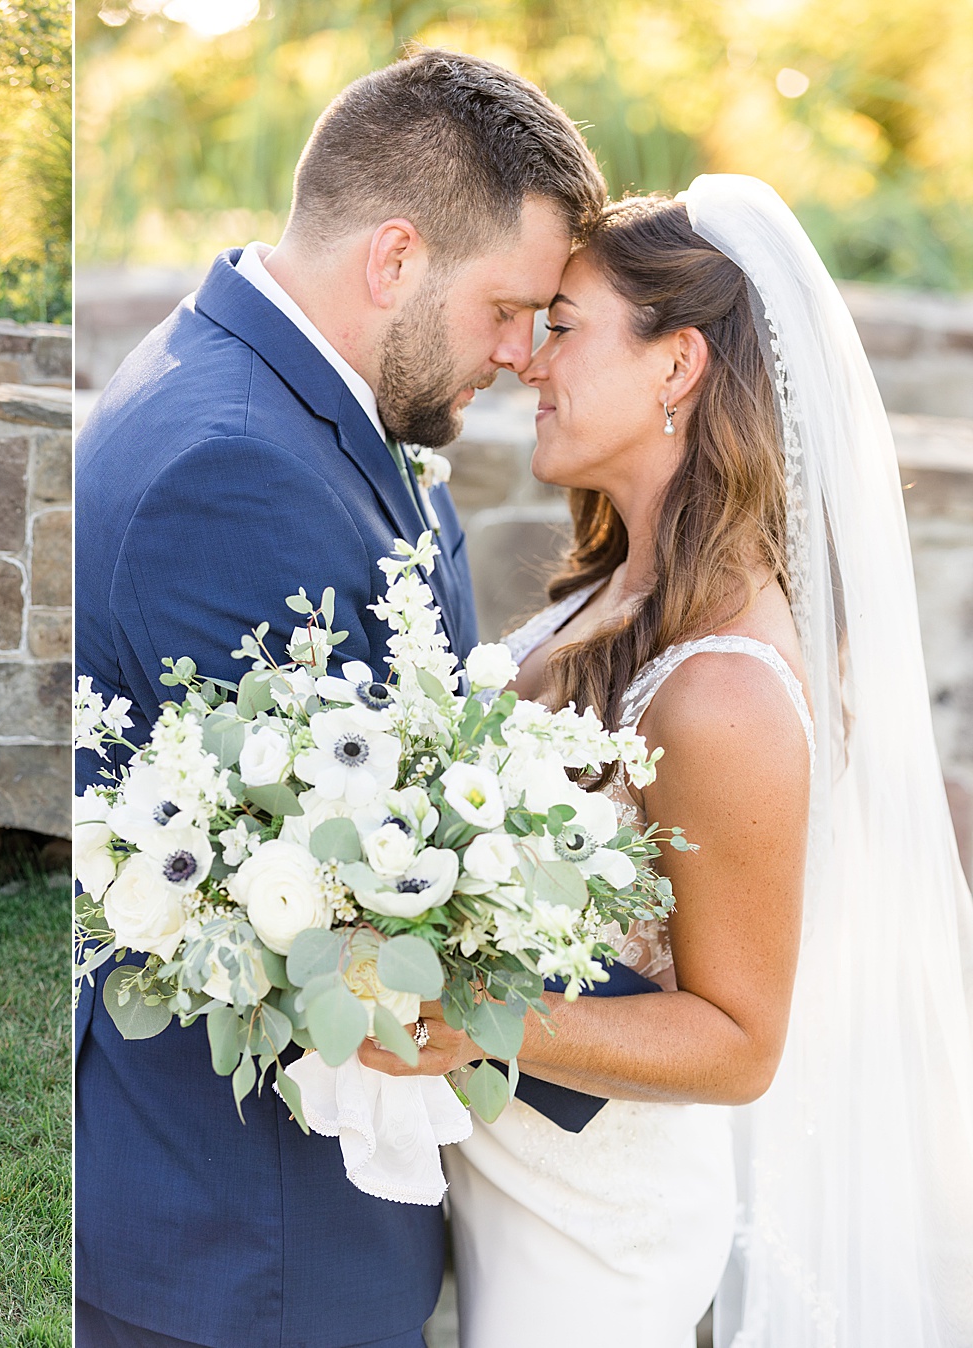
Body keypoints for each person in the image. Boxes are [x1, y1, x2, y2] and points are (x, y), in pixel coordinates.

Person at [359, 183, 973, 1347]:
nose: (530, 363)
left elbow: (742, 1040)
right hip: (515, 1178)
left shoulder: (724, 685)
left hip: (593, 1237)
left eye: (566, 325)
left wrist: (475, 1015)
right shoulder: (609, 592)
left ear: (676, 365)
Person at [73, 49, 606, 1348]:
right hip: (247, 1244)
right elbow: (344, 900)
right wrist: (656, 1038)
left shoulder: (292, 391)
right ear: (395, 259)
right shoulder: (232, 472)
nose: (521, 356)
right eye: (508, 307)